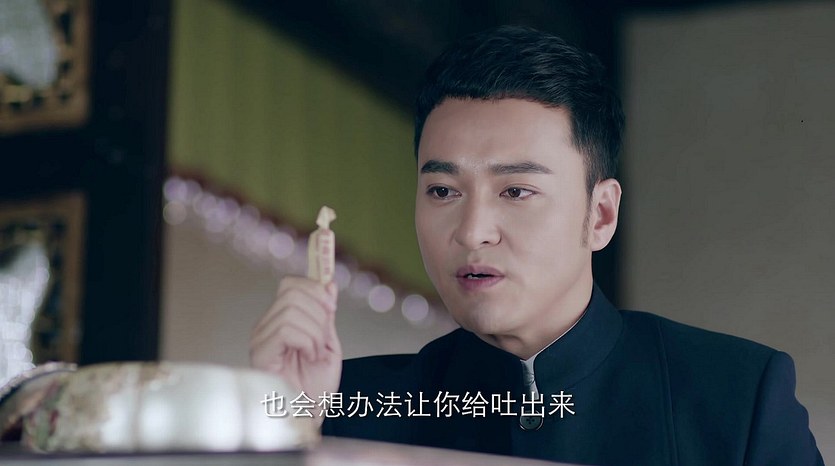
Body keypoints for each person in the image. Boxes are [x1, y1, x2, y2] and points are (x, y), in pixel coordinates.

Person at [250, 25, 823, 465]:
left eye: (516, 191)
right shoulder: (347, 404)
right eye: (443, 190)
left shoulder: (736, 399)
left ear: (600, 214)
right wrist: (285, 424)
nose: (473, 230)